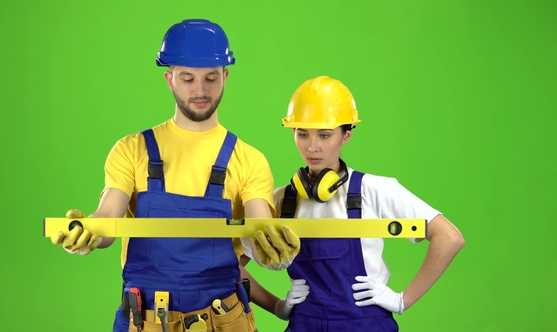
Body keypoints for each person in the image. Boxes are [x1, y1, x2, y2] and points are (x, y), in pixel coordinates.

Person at [49, 19, 302, 332]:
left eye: (210, 78)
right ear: (169, 79)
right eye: (187, 78)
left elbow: (258, 226)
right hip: (147, 321)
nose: (199, 90)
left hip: (224, 321)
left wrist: (271, 250)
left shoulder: (249, 160)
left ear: (225, 76)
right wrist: (87, 232)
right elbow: (108, 219)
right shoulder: (132, 150)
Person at [241, 75, 465, 331]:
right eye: (302, 134)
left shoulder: (374, 190)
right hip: (304, 324)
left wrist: (401, 300)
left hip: (365, 324)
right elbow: (232, 266)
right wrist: (278, 307)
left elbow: (449, 237)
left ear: (346, 135)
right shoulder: (281, 200)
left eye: (324, 135)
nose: (312, 147)